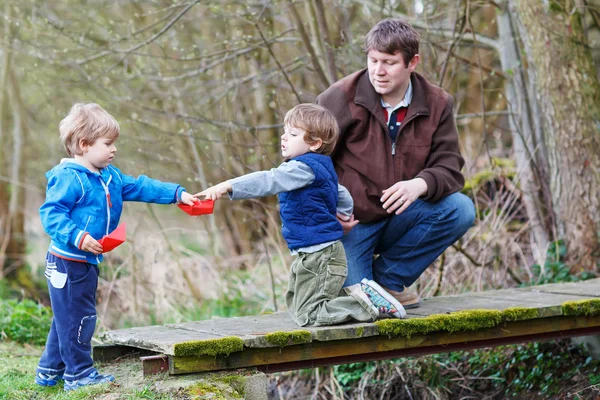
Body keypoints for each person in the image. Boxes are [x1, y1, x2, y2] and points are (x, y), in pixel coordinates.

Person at [197, 103, 407, 327]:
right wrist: (343, 218)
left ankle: (367, 304)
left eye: (293, 134)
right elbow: (342, 193)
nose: (284, 137)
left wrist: (228, 186)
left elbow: (269, 180)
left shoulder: (301, 169)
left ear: (315, 143)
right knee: (297, 307)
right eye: (285, 131)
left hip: (320, 255)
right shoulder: (320, 168)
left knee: (310, 315)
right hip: (313, 253)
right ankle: (363, 298)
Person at [35, 103, 196, 391]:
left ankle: (49, 372)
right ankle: (80, 376)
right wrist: (78, 236)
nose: (114, 149)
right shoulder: (69, 177)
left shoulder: (110, 176)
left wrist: (176, 193)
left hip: (85, 262)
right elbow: (51, 213)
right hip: (67, 261)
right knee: (79, 318)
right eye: (108, 143)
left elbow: (141, 186)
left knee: (67, 317)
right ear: (84, 145)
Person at [316, 18, 476, 309]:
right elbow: (305, 163)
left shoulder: (438, 103)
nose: (378, 71)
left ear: (412, 62)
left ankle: (389, 279)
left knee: (461, 209)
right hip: (353, 225)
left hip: (404, 218)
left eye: (388, 62)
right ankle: (369, 285)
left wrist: (420, 184)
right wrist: (325, 212)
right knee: (362, 308)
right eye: (372, 60)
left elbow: (449, 165)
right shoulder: (339, 98)